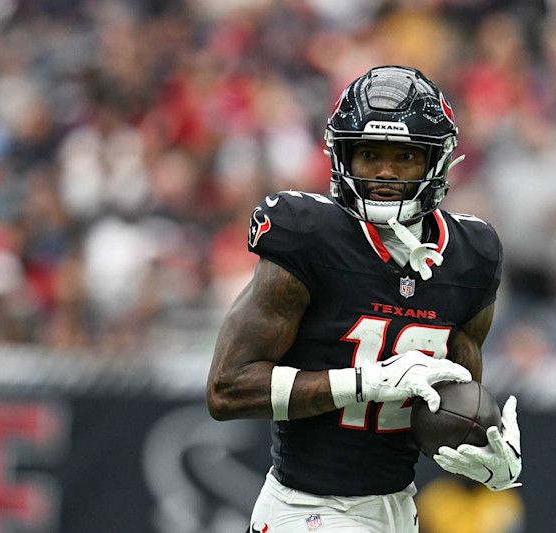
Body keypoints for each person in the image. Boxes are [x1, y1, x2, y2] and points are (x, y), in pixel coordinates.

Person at [206, 65, 522, 533]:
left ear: (436, 162)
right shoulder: (307, 234)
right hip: (306, 509)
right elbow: (227, 389)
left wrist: (489, 460)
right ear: (342, 156)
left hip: (398, 508)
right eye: (369, 154)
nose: (385, 173)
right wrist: (363, 383)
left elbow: (449, 406)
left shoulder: (472, 255)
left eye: (406, 156)